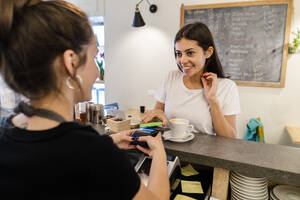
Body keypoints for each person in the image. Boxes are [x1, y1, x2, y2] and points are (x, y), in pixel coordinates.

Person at [0, 0, 169, 199]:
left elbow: (55, 153)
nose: (97, 72)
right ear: (70, 61)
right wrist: (159, 153)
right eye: (94, 58)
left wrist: (107, 142)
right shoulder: (94, 154)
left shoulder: (5, 130)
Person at [143, 22, 240, 138]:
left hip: (203, 154)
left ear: (208, 52)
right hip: (167, 152)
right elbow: (156, 122)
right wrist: (155, 116)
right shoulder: (171, 78)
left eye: (190, 53)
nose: (182, 60)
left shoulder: (227, 87)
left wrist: (212, 100)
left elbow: (229, 138)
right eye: (179, 54)